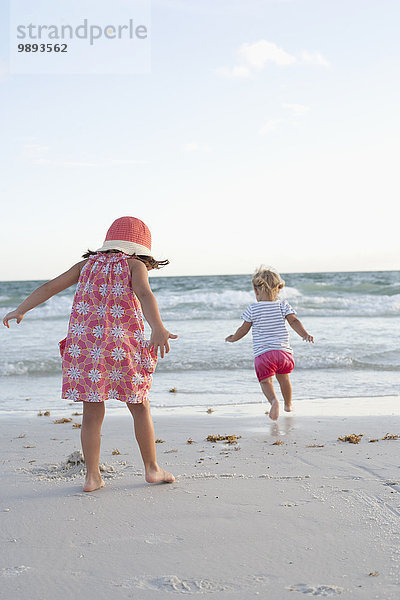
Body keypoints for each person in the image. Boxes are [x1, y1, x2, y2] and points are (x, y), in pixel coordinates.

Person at [3, 216, 178, 491]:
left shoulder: (86, 264)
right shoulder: (134, 265)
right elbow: (145, 295)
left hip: (85, 349)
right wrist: (158, 328)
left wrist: (21, 308)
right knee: (140, 406)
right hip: (122, 348)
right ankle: (152, 469)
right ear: (140, 248)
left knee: (92, 413)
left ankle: (92, 477)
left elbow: (50, 287)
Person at [225, 267, 314, 421]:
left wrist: (233, 338)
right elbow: (294, 321)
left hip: (263, 355)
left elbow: (243, 329)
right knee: (284, 379)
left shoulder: (253, 308)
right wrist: (305, 334)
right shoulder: (283, 306)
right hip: (283, 354)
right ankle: (288, 404)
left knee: (266, 381)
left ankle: (274, 401)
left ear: (255, 290)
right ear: (279, 289)